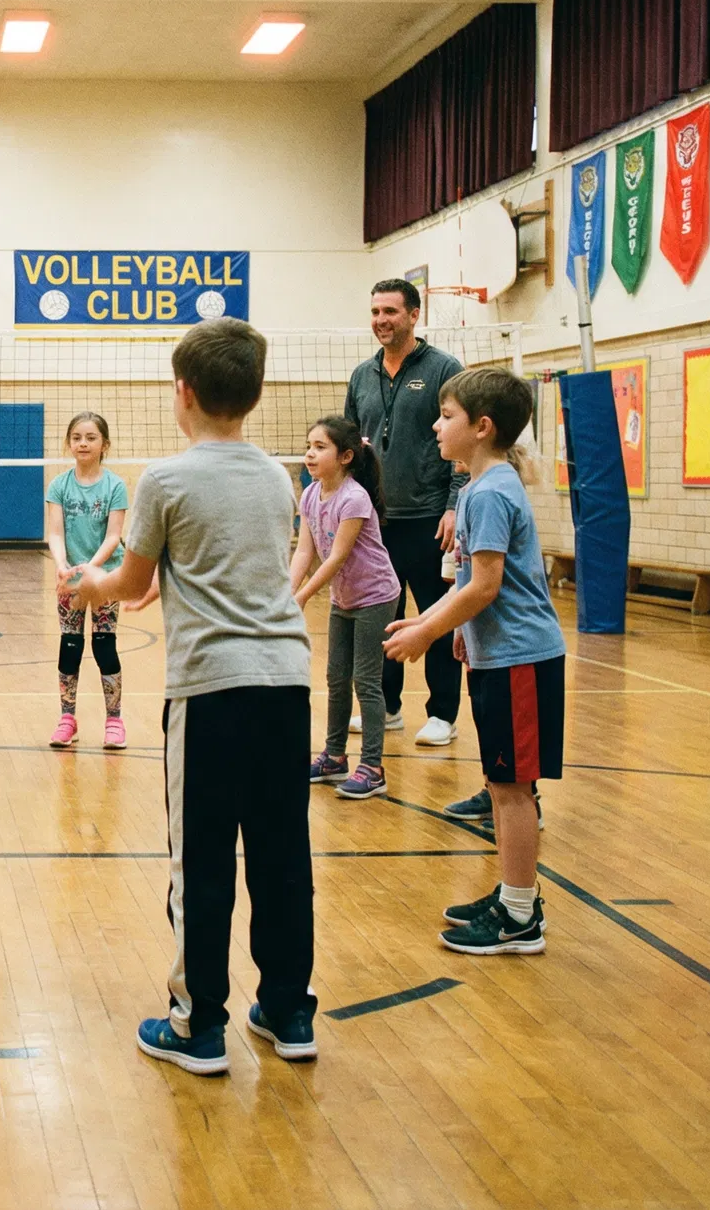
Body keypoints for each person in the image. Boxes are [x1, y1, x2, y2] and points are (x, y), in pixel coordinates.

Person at [70, 318, 317, 1074]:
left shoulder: (166, 480)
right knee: (283, 857)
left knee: (202, 860)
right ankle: (288, 1012)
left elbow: (132, 579)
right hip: (286, 683)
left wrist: (93, 586)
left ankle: (197, 1023)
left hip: (211, 692)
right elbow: (233, 562)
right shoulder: (279, 475)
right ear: (256, 394)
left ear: (182, 393)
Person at [384, 368, 564, 955]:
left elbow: (485, 586)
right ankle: (516, 898)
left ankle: (519, 918)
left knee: (511, 792)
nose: (436, 425)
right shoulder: (482, 485)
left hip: (519, 659)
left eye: (447, 416)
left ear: (481, 427)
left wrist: (429, 630)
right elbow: (478, 580)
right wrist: (453, 630)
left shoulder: (487, 492)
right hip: (499, 655)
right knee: (503, 783)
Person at [344, 279, 467, 747]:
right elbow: (350, 445)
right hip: (377, 521)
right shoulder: (361, 375)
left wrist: (455, 504)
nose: (381, 320)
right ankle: (387, 707)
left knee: (436, 617)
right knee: (381, 616)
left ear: (414, 314)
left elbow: (461, 445)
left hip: (432, 517)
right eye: (375, 311)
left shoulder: (443, 370)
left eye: (390, 311)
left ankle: (443, 714)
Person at [291, 415, 400, 800]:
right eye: (309, 445)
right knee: (336, 678)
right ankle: (334, 756)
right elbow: (304, 550)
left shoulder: (354, 498)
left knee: (365, 681)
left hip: (375, 596)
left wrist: (303, 597)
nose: (310, 453)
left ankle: (373, 767)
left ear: (346, 456)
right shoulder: (309, 494)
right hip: (344, 598)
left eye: (320, 447)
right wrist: (288, 592)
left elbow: (336, 557)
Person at [43, 412, 141, 750]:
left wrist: (90, 570)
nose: (83, 443)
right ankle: (67, 718)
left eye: (90, 437)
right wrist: (62, 565)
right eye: (76, 437)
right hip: (69, 578)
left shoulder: (114, 485)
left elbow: (114, 536)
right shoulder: (59, 485)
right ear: (69, 443)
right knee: (69, 645)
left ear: (104, 444)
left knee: (104, 645)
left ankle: (114, 720)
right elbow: (55, 532)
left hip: (105, 579)